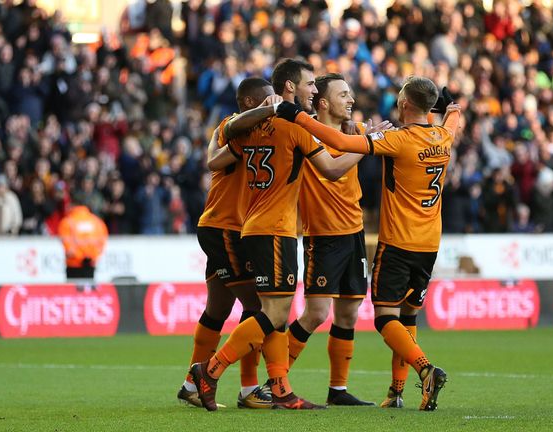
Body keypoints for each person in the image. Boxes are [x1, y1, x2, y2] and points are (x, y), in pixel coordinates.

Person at [275, 76, 461, 411]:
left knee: (382, 318)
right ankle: (396, 392)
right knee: (406, 318)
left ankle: (421, 372)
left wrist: (294, 113)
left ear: (405, 105)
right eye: (343, 94)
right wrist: (451, 106)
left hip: (394, 241)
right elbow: (454, 117)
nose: (350, 99)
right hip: (424, 242)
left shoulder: (395, 139)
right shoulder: (444, 135)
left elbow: (341, 143)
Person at [190, 59, 364, 411]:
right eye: (310, 84)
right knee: (271, 313)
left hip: (251, 227)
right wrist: (364, 144)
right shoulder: (296, 129)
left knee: (273, 312)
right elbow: (330, 169)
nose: (313, 91)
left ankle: (280, 388)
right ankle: (210, 371)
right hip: (276, 229)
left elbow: (217, 160)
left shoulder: (249, 129)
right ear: (289, 88)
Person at [285, 73, 389, 406]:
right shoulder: (308, 134)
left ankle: (338, 390)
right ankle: (276, 380)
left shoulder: (358, 131)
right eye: (344, 94)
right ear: (325, 103)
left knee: (348, 314)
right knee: (315, 313)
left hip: (354, 234)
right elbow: (333, 168)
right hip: (322, 235)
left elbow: (385, 140)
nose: (352, 99)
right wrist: (367, 144)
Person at [176, 78, 278, 410]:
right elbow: (232, 128)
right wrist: (273, 109)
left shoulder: (262, 133)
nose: (270, 106)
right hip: (225, 228)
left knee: (218, 309)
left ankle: (191, 384)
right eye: (265, 102)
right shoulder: (230, 126)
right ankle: (248, 389)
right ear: (249, 103)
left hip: (229, 228)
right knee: (259, 307)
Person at [57, 193, 108, 280]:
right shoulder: (97, 222)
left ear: (73, 204)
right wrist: (90, 256)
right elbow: (102, 243)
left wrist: (79, 256)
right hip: (90, 264)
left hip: (73, 264)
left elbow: (67, 245)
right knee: (88, 292)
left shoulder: (67, 222)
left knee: (73, 292)